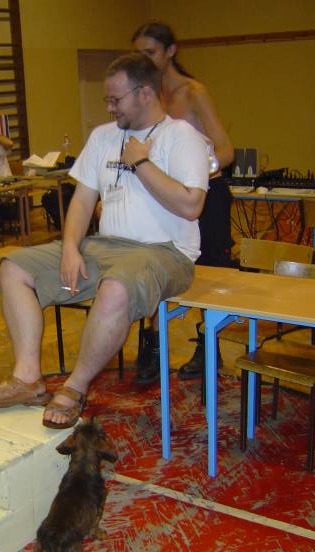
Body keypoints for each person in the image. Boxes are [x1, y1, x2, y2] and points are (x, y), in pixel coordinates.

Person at [0, 53, 209, 428]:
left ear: (145, 93)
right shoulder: (103, 136)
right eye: (107, 99)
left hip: (166, 253)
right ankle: (28, 378)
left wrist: (142, 164)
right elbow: (83, 201)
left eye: (115, 99)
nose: (109, 107)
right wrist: (70, 247)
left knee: (115, 288)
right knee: (14, 267)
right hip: (105, 246)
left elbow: (192, 206)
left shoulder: (181, 137)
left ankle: (75, 386)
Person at [132, 22, 234, 383]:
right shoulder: (147, 96)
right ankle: (152, 344)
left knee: (209, 272)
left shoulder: (193, 92)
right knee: (154, 266)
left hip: (205, 196)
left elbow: (225, 150)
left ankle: (209, 347)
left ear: (170, 51)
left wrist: (194, 175)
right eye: (138, 54)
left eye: (150, 53)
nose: (143, 60)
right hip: (164, 196)